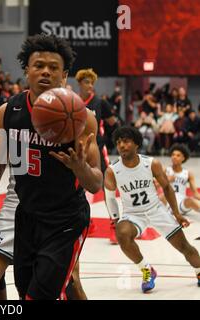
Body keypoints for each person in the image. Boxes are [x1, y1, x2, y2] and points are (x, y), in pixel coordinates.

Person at [0, 34, 103, 300]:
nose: (45, 71)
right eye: (38, 65)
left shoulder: (81, 118)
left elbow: (96, 183)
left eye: (53, 67)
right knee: (23, 291)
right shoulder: (8, 113)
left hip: (64, 219)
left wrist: (80, 167)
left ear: (64, 75)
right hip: (25, 215)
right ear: (26, 70)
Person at [104, 126, 200, 292]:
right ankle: (146, 270)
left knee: (185, 247)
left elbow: (167, 188)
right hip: (133, 214)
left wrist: (176, 213)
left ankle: (199, 271)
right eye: (118, 142)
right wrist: (115, 218)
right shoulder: (113, 170)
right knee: (122, 233)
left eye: (126, 141)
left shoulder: (151, 163)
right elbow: (110, 197)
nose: (121, 145)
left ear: (136, 144)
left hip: (157, 210)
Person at [75, 68, 119, 244]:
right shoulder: (73, 102)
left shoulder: (101, 103)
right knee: (78, 188)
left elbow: (113, 124)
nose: (90, 85)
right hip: (79, 149)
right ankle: (87, 222)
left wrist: (112, 140)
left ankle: (114, 225)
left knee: (107, 186)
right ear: (79, 83)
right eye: (87, 82)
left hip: (98, 149)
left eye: (92, 82)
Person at [159, 143, 200, 214]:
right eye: (173, 155)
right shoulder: (166, 170)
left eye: (178, 155)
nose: (174, 157)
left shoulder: (188, 173)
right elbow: (155, 186)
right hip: (168, 203)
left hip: (181, 204)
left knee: (190, 200)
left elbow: (195, 193)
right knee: (162, 196)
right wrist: (167, 180)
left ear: (183, 158)